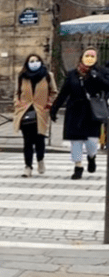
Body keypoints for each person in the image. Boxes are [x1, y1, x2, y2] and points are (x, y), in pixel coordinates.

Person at [51, 47, 108, 180]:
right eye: (87, 55)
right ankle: (78, 166)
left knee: (92, 142)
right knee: (76, 142)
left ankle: (91, 157)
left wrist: (97, 77)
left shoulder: (100, 72)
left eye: (92, 56)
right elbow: (64, 93)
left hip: (91, 112)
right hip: (75, 111)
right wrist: (54, 109)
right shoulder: (72, 74)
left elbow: (107, 86)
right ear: (82, 57)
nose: (89, 58)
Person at [12, 53, 56, 178]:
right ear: (27, 63)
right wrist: (17, 104)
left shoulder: (47, 76)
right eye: (31, 61)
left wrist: (48, 104)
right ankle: (28, 167)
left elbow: (54, 92)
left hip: (40, 112)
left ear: (41, 62)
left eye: (36, 60)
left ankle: (40, 160)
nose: (34, 63)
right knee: (27, 141)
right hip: (24, 112)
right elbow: (17, 92)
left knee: (39, 140)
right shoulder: (22, 76)